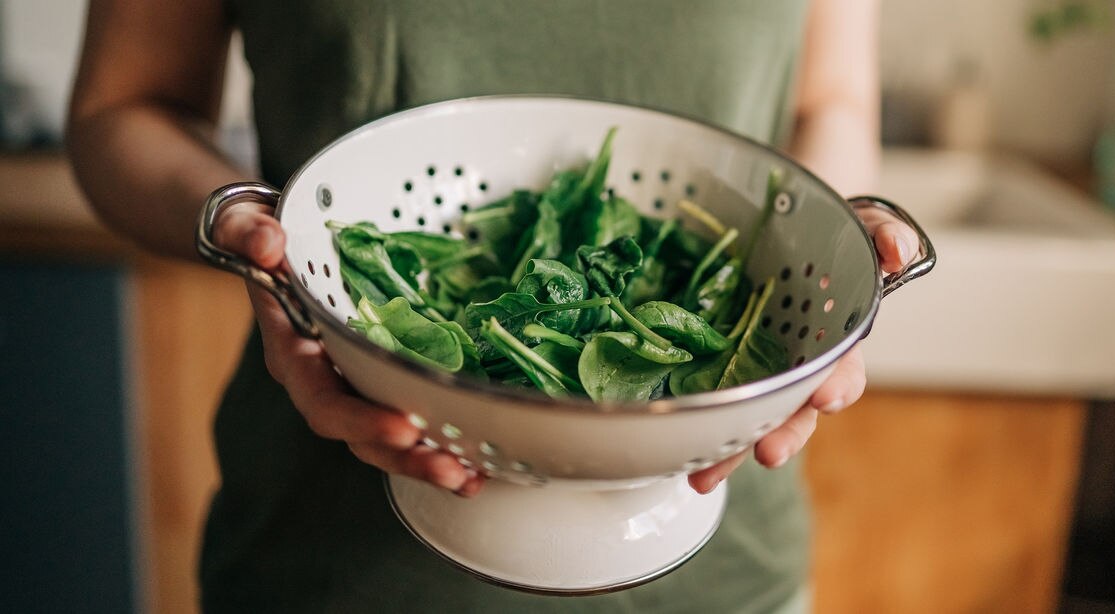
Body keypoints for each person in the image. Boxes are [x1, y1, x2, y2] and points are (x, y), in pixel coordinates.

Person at [68, 0, 917, 611]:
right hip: (331, 563)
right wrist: (248, 230)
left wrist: (829, 237)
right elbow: (123, 109)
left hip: (723, 566)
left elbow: (828, 98)